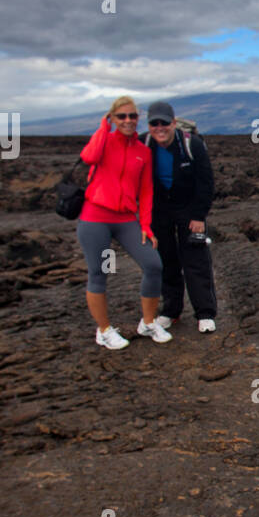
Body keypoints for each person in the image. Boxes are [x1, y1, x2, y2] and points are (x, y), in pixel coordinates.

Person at [77, 95, 171, 349]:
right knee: (100, 273)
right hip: (95, 217)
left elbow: (146, 191)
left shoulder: (143, 152)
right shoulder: (104, 141)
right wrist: (103, 127)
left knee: (153, 265)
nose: (128, 121)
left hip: (127, 219)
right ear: (112, 118)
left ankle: (148, 323)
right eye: (121, 116)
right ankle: (104, 330)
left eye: (132, 116)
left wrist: (146, 225)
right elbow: (89, 157)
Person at [141, 101, 218, 332]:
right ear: (149, 125)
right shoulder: (143, 143)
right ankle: (170, 311)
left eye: (164, 122)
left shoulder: (191, 144)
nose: (159, 127)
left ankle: (205, 313)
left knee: (195, 258)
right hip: (159, 209)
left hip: (188, 208)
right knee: (165, 259)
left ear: (173, 123)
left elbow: (206, 182)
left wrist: (198, 215)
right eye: (154, 123)